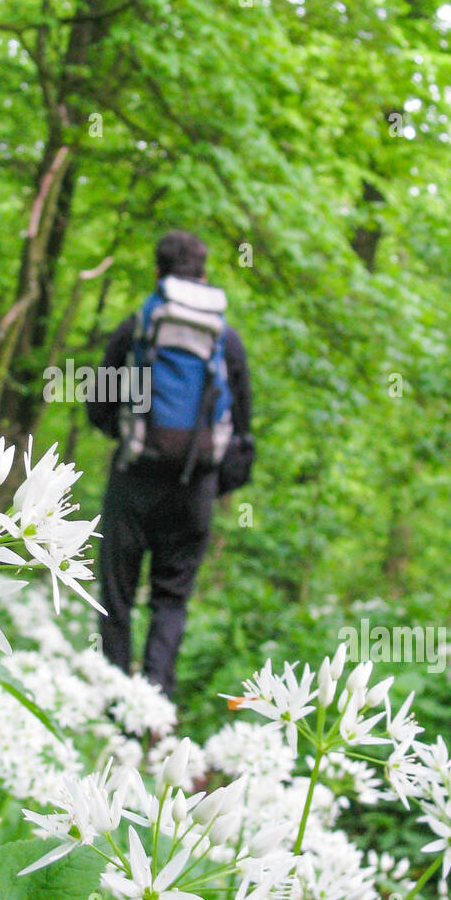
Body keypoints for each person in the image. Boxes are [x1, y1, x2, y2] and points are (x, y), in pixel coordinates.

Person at [86, 230, 253, 699]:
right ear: (204, 276)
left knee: (115, 597)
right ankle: (154, 705)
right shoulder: (227, 341)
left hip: (134, 480)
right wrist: (211, 482)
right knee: (171, 599)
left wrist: (131, 435)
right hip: (194, 489)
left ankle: (114, 703)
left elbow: (98, 407)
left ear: (157, 273)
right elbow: (243, 431)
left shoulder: (137, 328)